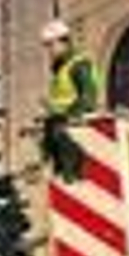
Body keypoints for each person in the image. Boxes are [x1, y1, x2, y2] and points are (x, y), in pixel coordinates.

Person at [39, 18, 104, 181]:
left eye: (51, 45)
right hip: (58, 125)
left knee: (72, 176)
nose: (50, 51)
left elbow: (88, 97)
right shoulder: (61, 67)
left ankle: (71, 176)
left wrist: (68, 114)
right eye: (47, 46)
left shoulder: (79, 65)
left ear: (64, 42)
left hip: (72, 127)